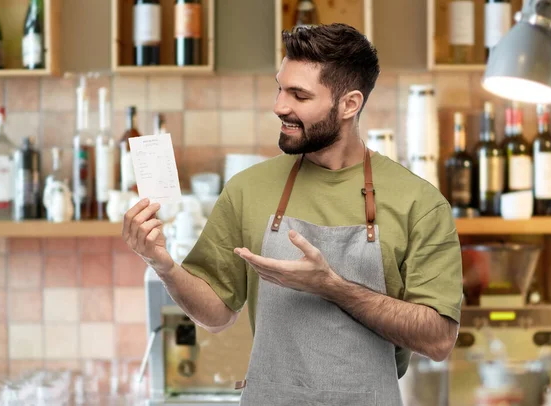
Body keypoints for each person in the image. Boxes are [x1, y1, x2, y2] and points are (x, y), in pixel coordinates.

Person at [123, 23, 462, 406]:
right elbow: (217, 314)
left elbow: (437, 340)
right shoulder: (248, 189)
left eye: (299, 95)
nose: (279, 105)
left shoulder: (418, 203)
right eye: (280, 87)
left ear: (349, 104)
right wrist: (163, 264)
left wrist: (332, 286)